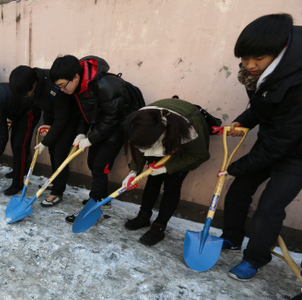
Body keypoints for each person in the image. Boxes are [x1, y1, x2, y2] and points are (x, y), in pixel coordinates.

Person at [218, 14, 302, 285]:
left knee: (269, 207)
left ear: (281, 50)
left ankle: (255, 259)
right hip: (275, 140)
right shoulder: (267, 72)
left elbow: (283, 138)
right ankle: (231, 236)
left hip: (297, 153)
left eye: (258, 59)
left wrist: (235, 167)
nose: (250, 66)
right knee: (240, 188)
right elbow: (267, 104)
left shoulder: (299, 80)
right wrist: (245, 119)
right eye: (244, 59)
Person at [49, 55, 130, 222]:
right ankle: (101, 198)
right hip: (102, 126)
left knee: (100, 166)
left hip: (117, 127)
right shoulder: (80, 87)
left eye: (63, 86)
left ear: (76, 77)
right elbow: (85, 114)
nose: (63, 90)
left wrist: (90, 139)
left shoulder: (105, 85)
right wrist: (81, 133)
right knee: (93, 163)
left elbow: (113, 118)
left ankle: (94, 203)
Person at [122, 98, 211, 245]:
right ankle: (143, 217)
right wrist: (134, 171)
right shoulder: (141, 123)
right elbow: (138, 147)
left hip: (184, 151)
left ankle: (159, 227)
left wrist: (166, 168)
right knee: (153, 179)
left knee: (172, 185)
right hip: (159, 137)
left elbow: (199, 155)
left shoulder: (189, 127)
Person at [9, 65, 78, 206]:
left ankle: (58, 192)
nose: (26, 96)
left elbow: (62, 119)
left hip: (70, 118)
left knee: (59, 153)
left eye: (25, 93)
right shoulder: (37, 85)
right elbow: (46, 108)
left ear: (32, 84)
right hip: (56, 117)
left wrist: (45, 142)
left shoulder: (53, 88)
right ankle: (55, 179)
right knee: (53, 149)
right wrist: (47, 125)